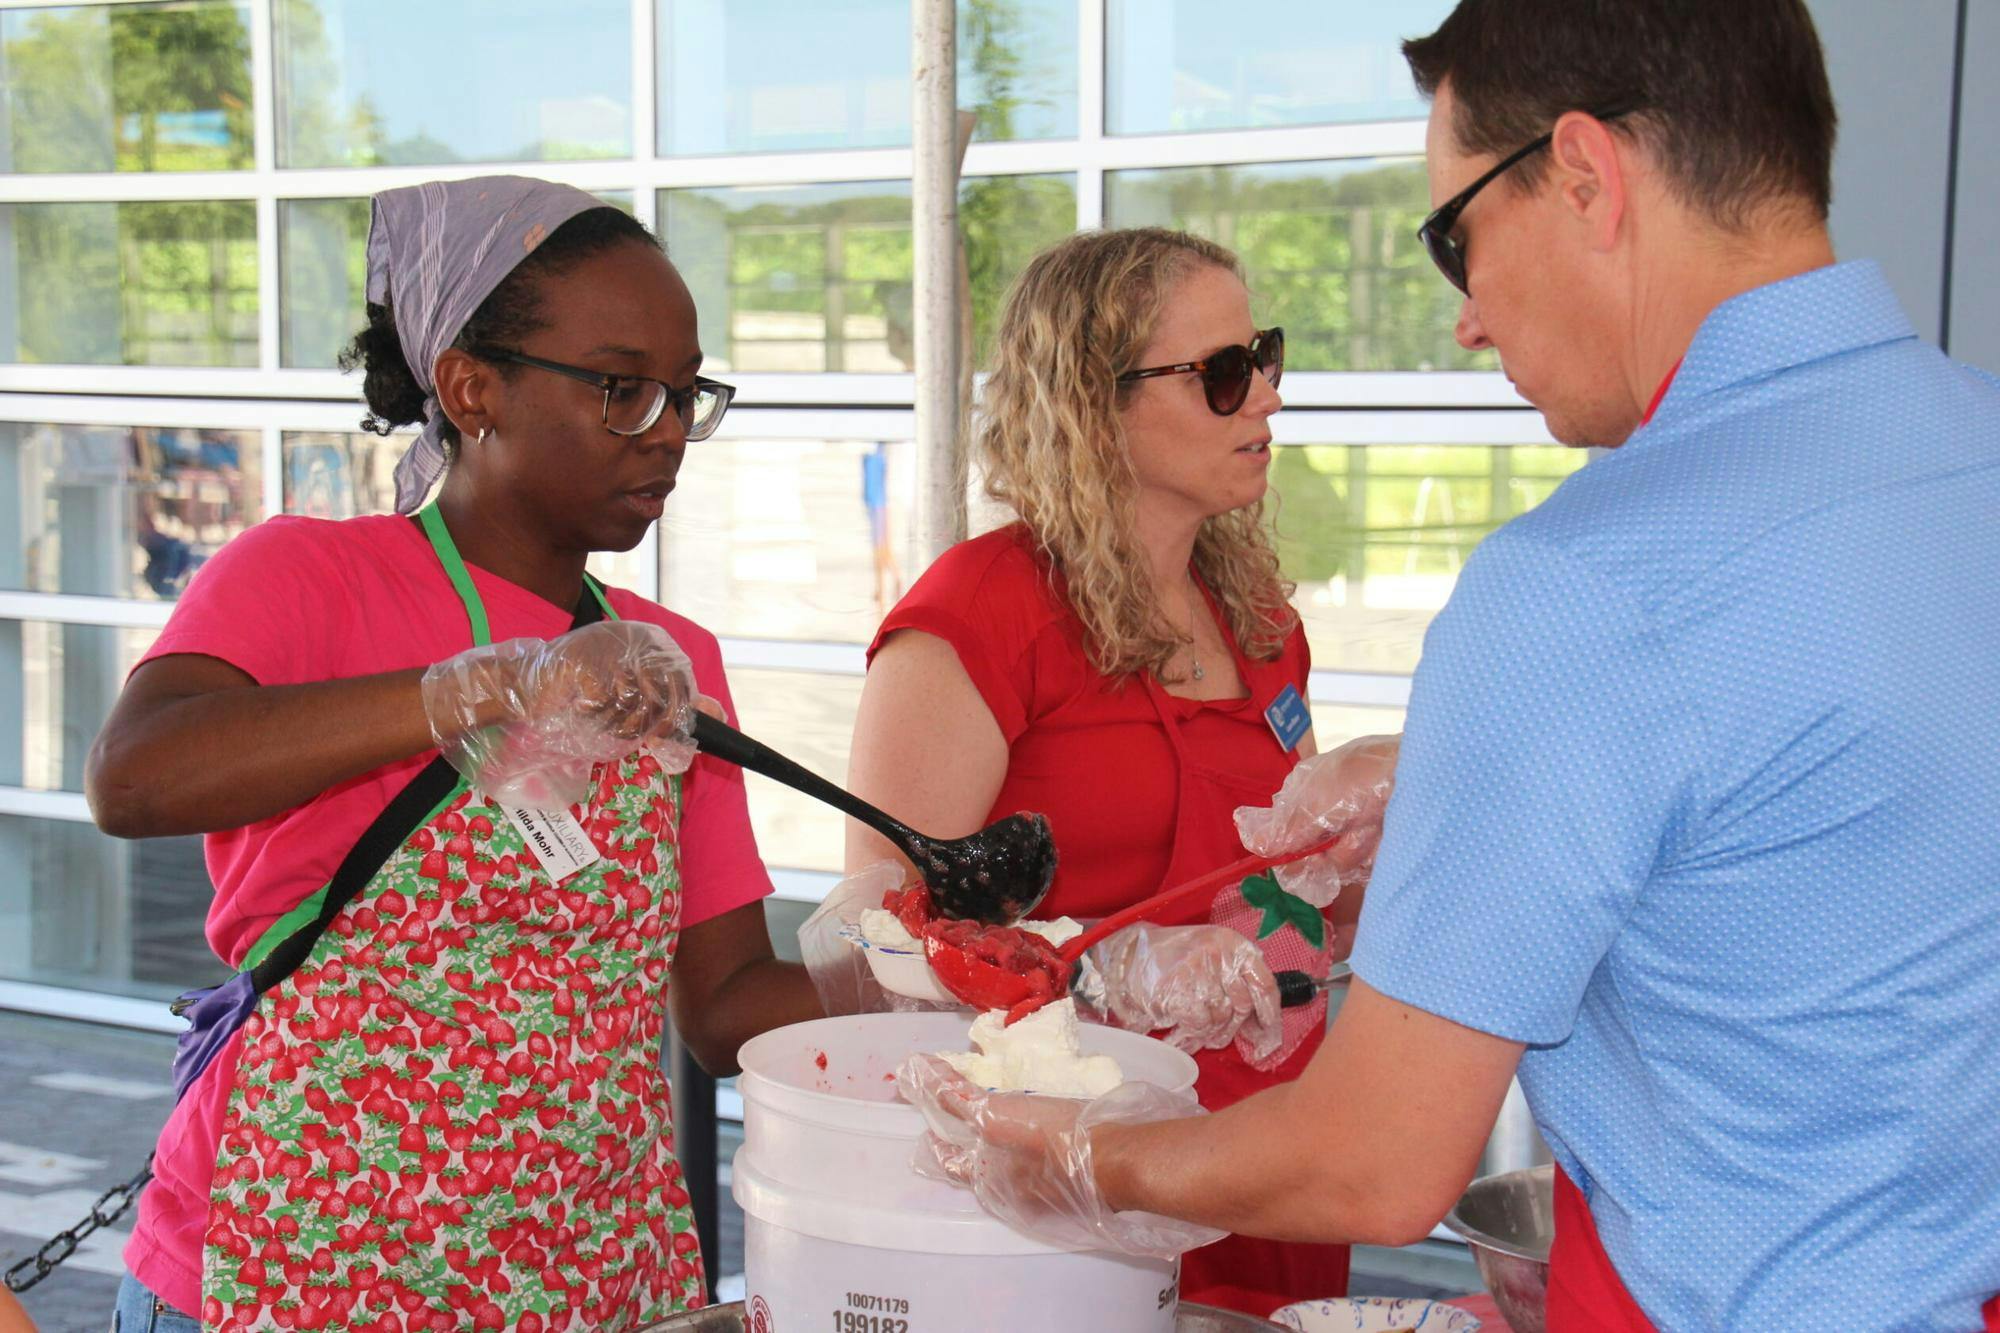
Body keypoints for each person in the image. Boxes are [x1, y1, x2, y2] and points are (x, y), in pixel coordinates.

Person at [895, 3, 2000, 1329]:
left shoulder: (1581, 586)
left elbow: (1374, 1160)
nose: (1469, 319)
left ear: (1584, 175)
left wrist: (1078, 1156)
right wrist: (1467, 790)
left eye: (1456, 237)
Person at [86, 177, 821, 1332]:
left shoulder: (666, 665)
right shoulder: (310, 577)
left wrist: (912, 972)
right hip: (298, 1268)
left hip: (583, 1279)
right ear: (473, 388)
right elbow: (135, 777)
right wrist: (477, 689)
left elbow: (723, 1009)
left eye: (685, 392)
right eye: (622, 388)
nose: (669, 429)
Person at [838, 226, 1369, 1316]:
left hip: (1265, 1156)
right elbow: (870, 945)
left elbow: (1290, 890)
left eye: (1265, 355)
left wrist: (1362, 860)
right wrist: (1098, 967)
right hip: (1064, 1192)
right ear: (1094, 403)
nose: (1268, 396)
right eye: (1225, 372)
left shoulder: (1261, 622)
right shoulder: (980, 617)